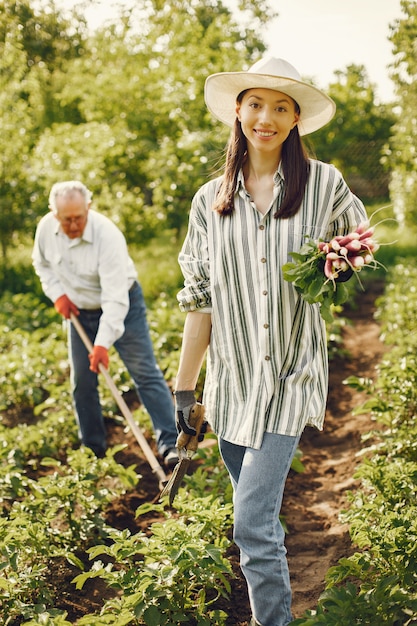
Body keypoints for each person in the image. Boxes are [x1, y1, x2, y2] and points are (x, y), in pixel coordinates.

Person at [173, 57, 368, 626]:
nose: (267, 117)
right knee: (258, 516)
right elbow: (199, 302)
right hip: (232, 384)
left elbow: (359, 244)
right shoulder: (211, 201)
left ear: (295, 121)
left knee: (250, 523)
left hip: (289, 373)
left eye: (281, 108)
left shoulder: (323, 183)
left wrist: (342, 262)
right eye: (256, 104)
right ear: (239, 111)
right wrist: (186, 394)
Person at [32, 180, 178, 467]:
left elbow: (115, 299)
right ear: (54, 214)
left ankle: (170, 443)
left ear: (88, 208)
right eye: (66, 219)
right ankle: (93, 450)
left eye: (78, 217)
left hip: (122, 305)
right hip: (78, 311)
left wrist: (102, 344)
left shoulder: (107, 236)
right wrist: (58, 294)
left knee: (144, 372)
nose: (73, 224)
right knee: (82, 383)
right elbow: (42, 264)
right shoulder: (45, 231)